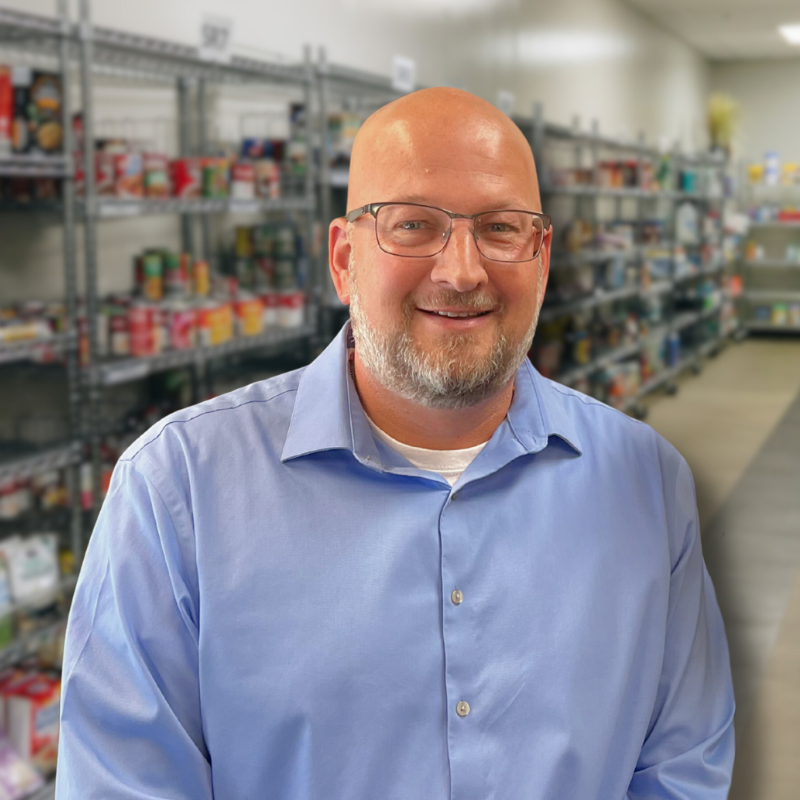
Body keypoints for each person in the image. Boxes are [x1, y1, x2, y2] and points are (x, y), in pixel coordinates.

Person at [56, 88, 734, 799]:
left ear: (541, 257)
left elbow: (683, 765)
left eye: (501, 228)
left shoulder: (645, 482)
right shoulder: (177, 490)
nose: (462, 271)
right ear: (344, 259)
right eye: (412, 225)